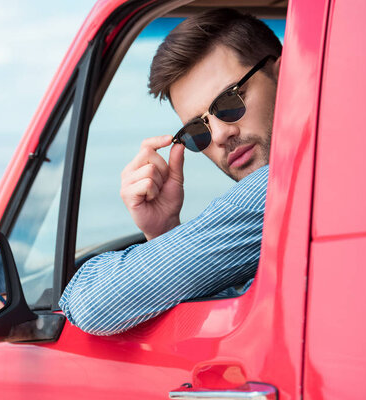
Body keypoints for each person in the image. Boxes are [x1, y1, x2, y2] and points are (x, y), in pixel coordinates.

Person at [59, 8, 282, 335]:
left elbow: (94, 302)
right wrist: (164, 233)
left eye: (230, 102)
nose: (220, 136)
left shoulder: (285, 186)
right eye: (197, 130)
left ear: (285, 71)